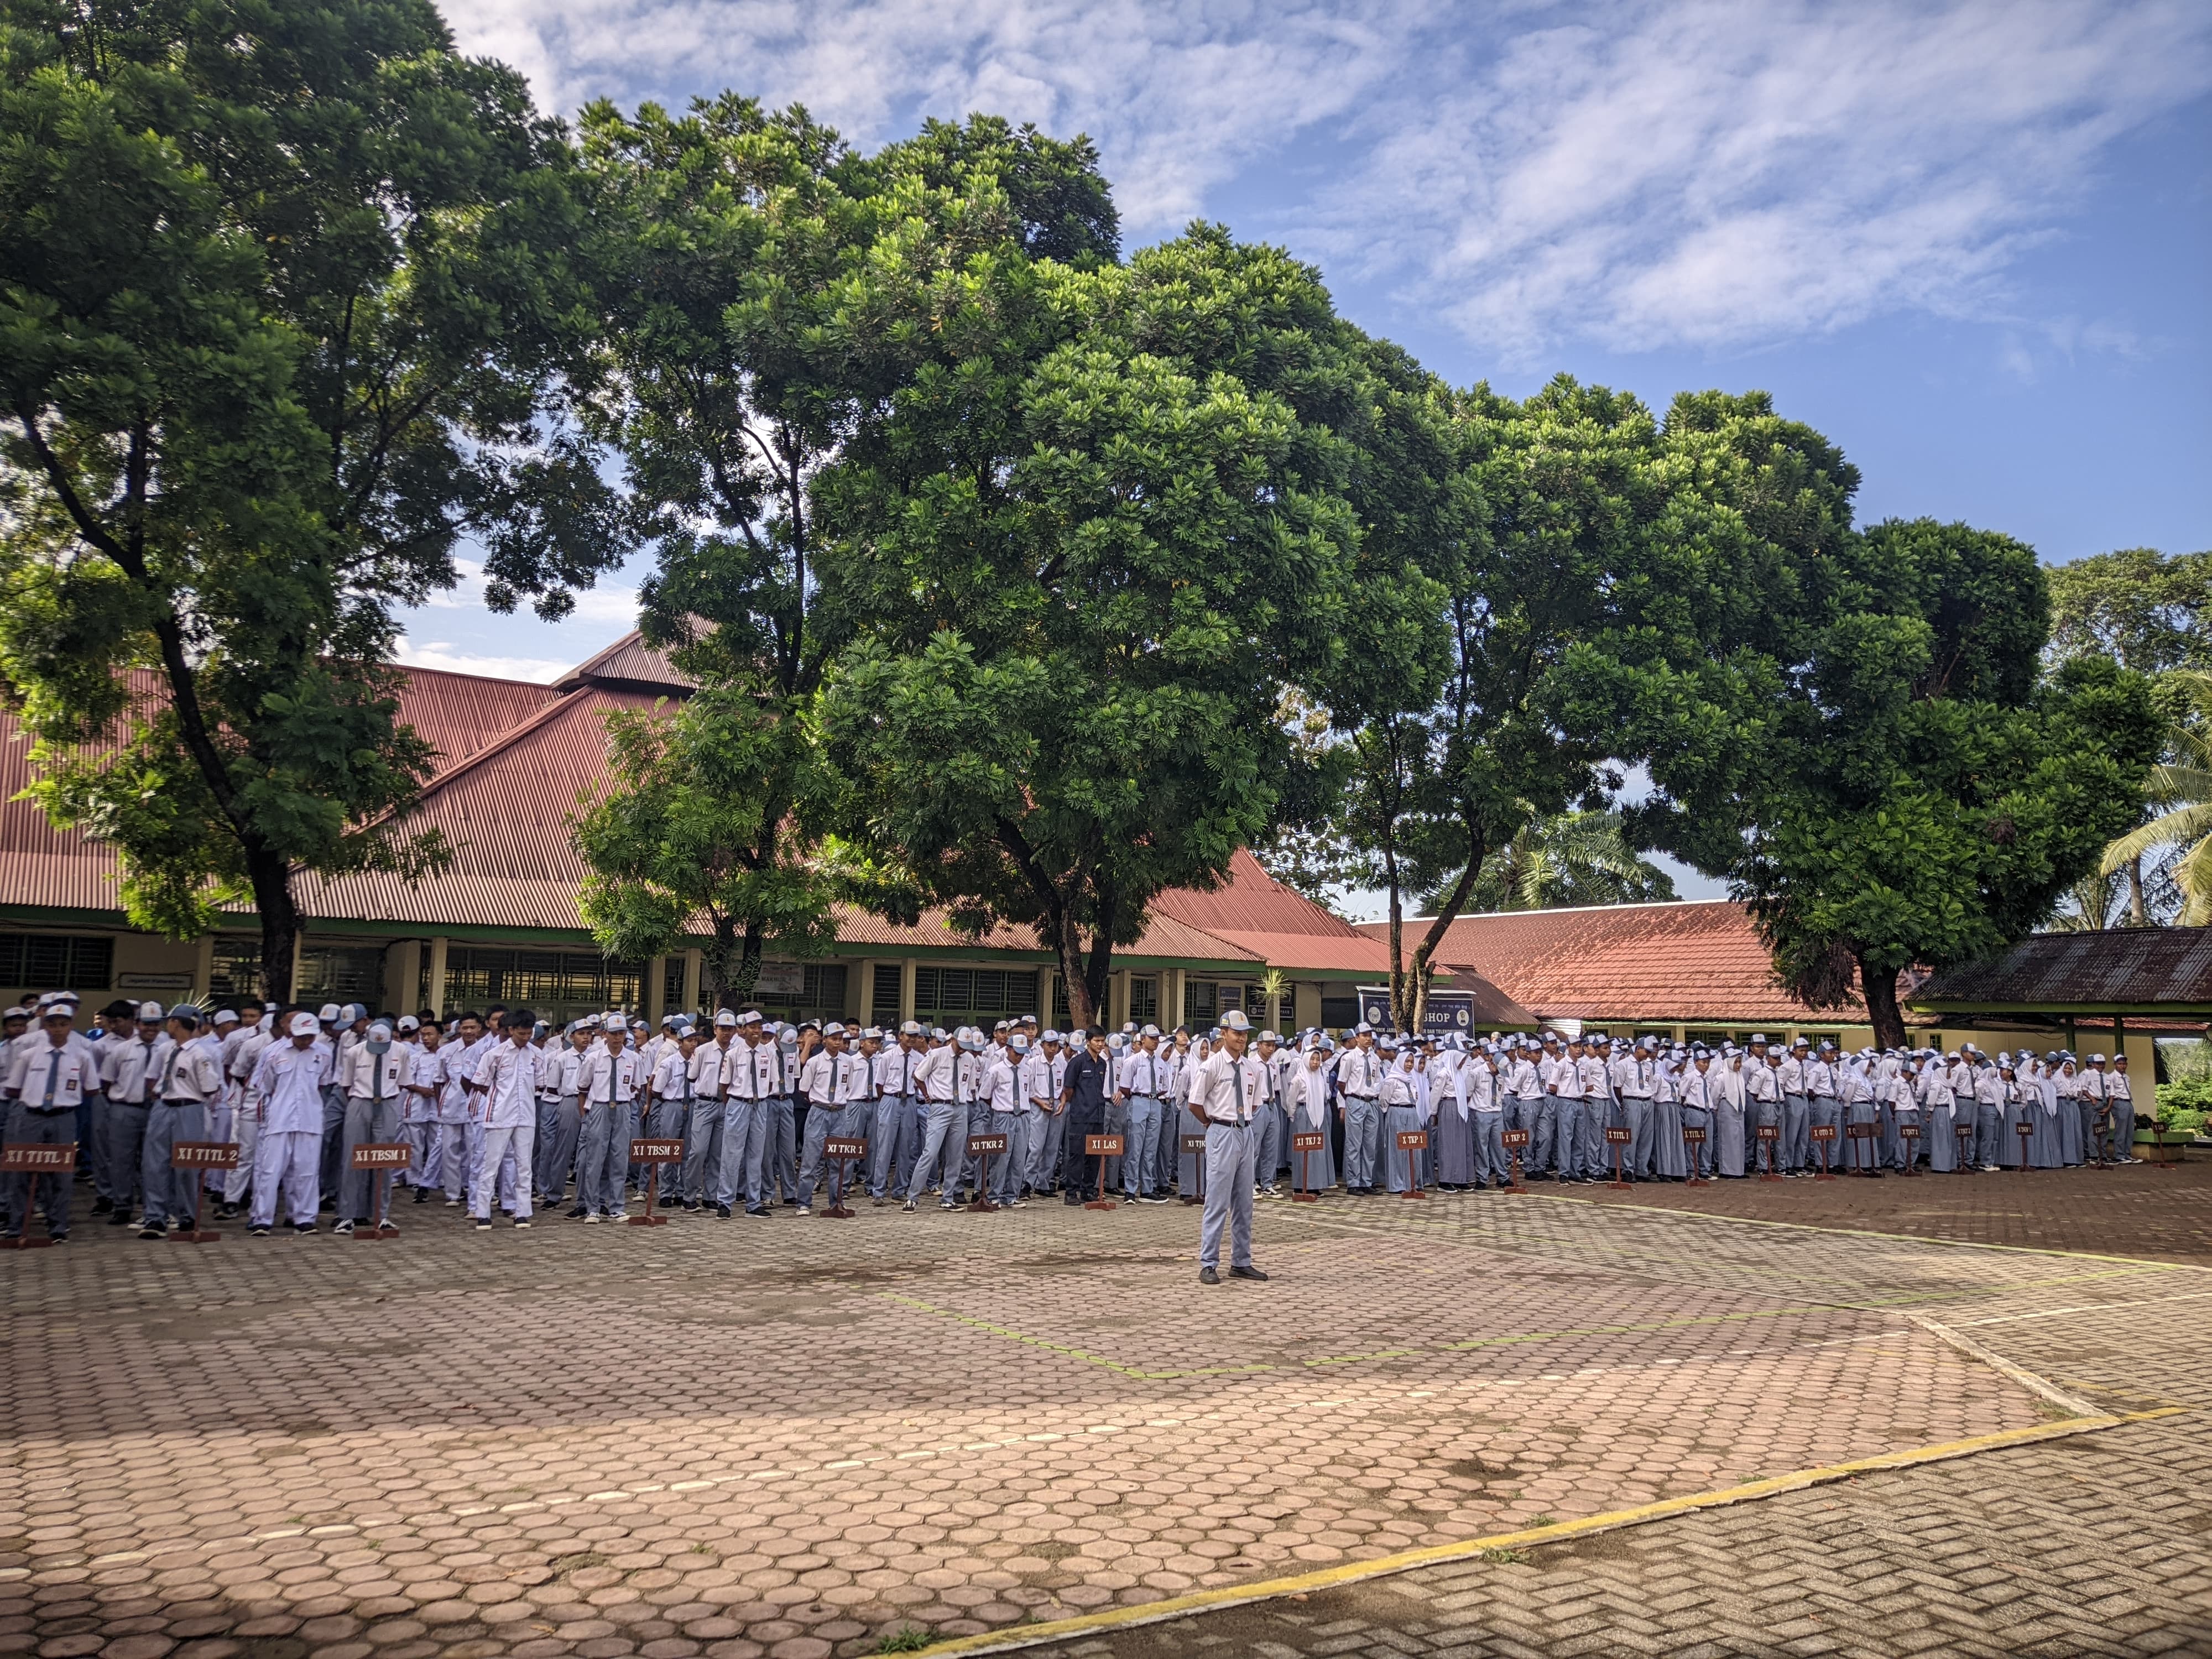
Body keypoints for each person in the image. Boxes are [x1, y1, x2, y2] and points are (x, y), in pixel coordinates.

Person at [1, 1001, 96, 1243]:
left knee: (60, 1174)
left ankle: (57, 1225)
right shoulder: (28, 1055)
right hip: (31, 1117)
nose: (58, 1030)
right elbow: (13, 1088)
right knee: (20, 1171)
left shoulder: (82, 1056)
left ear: (71, 1026)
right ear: (44, 1026)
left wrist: (66, 1100)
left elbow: (91, 1089)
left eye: (63, 1025)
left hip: (63, 1118)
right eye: (52, 1025)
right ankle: (16, 1223)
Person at [1189, 1009, 1268, 1285]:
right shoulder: (1211, 1066)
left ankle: (1241, 1261)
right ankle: (1209, 1262)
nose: (1242, 1039)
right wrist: (1212, 1125)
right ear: (1223, 1034)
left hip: (1245, 1132)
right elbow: (1195, 1103)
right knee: (1217, 1201)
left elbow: (1254, 1103)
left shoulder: (1251, 1068)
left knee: (1244, 1201)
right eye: (1237, 1033)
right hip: (1221, 1131)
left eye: (1246, 1034)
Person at [142, 1005, 223, 1237]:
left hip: (189, 1107)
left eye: (170, 1021)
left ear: (176, 1023)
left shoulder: (200, 1053)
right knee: (155, 1164)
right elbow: (153, 1078)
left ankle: (187, 1216)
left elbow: (210, 1088)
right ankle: (155, 1217)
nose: (167, 1025)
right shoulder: (167, 1049)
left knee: (187, 1164)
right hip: (164, 1105)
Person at [248, 1013, 332, 1235]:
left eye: (310, 1036)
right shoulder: (273, 1052)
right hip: (280, 1118)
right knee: (271, 1170)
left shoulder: (323, 1053)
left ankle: (303, 1217)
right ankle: (262, 1219)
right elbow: (266, 1085)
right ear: (291, 1032)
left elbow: (323, 1084)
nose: (306, 1041)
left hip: (310, 1118)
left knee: (307, 1171)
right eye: (302, 1036)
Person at [336, 1020, 411, 1234]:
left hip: (387, 1103)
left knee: (385, 1159)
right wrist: (360, 1103)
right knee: (353, 1158)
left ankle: (381, 1214)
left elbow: (402, 1082)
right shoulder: (355, 1052)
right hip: (360, 1101)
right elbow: (347, 1083)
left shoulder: (401, 1051)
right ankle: (347, 1215)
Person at [469, 1010, 540, 1229]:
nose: (526, 1037)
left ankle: (522, 1212)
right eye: (521, 1033)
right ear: (511, 1031)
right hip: (499, 1115)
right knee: (491, 1165)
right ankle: (483, 1213)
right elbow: (480, 1084)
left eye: (529, 1033)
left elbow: (539, 1084)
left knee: (524, 1165)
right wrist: (498, 1101)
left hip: (526, 1115)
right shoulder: (495, 1054)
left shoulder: (536, 1054)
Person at [1058, 1028, 1113, 1204]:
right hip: (1081, 1116)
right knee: (1077, 1155)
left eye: (1102, 1041)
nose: (1100, 1044)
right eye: (1096, 1041)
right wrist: (1080, 1104)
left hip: (1098, 1116)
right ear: (1088, 1041)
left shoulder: (1103, 1064)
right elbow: (1068, 1088)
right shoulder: (1078, 1062)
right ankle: (1071, 1193)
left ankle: (1088, 1190)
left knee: (1095, 1156)